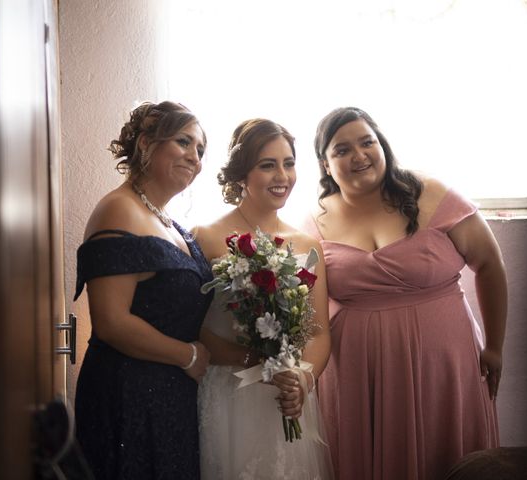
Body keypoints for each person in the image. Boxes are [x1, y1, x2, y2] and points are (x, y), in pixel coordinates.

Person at [301, 106, 508, 480]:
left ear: (383, 145)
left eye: (367, 142)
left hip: (445, 363)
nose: (359, 155)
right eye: (342, 150)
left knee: (448, 453)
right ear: (325, 165)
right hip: (358, 371)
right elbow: (310, 306)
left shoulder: (431, 194)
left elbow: (490, 264)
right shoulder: (314, 221)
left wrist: (495, 345)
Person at [72, 101, 214, 479]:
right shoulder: (118, 210)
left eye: (200, 149)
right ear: (147, 143)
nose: (194, 157)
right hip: (127, 394)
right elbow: (111, 322)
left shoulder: (168, 221)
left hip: (170, 394)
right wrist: (188, 356)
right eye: (184, 141)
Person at [193, 118, 335, 479]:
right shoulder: (206, 237)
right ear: (242, 173)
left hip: (285, 394)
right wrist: (253, 358)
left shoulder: (306, 245)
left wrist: (302, 380)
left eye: (288, 163)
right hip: (229, 390)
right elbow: (192, 325)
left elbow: (318, 332)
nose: (282, 176)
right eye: (267, 165)